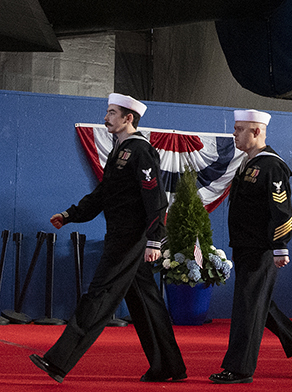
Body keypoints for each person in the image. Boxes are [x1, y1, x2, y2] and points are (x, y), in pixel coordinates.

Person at [30, 94, 187, 384]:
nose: (106, 118)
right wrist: (70, 214)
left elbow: (155, 198)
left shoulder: (140, 150)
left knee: (98, 296)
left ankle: (59, 361)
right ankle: (169, 367)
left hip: (130, 239)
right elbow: (104, 194)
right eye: (107, 112)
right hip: (121, 235)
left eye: (112, 113)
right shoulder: (120, 151)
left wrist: (154, 240)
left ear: (129, 118)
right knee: (145, 303)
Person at [209, 109, 292, 384]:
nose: (234, 134)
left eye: (239, 129)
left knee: (247, 308)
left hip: (261, 248)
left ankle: (239, 368)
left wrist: (280, 246)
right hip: (246, 246)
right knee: (258, 304)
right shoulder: (249, 163)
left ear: (256, 131)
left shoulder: (271, 166)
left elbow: (281, 210)